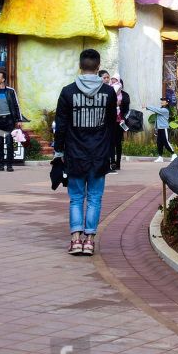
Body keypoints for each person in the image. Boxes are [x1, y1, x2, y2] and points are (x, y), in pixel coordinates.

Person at [54, 49, 118, 256]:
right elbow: (111, 125)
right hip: (99, 153)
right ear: (98, 67)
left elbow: (61, 125)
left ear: (80, 66)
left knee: (76, 197)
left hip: (74, 153)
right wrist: (110, 152)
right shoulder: (108, 93)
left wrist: (58, 151)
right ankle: (89, 240)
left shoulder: (67, 91)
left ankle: (75, 240)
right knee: (95, 198)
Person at [0, 69, 24, 172]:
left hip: (9, 120)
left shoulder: (10, 91)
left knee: (9, 143)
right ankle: (1, 165)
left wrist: (19, 119)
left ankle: (10, 165)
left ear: (3, 79)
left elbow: (16, 105)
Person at [105, 74, 130, 173]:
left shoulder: (125, 95)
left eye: (116, 81)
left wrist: (124, 118)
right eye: (113, 80)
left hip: (120, 122)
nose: (114, 82)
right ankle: (112, 162)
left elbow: (127, 110)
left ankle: (118, 162)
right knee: (110, 142)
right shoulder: (110, 92)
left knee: (118, 143)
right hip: (110, 121)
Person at [146, 96, 173, 161]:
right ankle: (160, 157)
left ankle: (174, 154)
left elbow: (157, 110)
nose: (162, 101)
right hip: (160, 129)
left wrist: (147, 106)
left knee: (166, 142)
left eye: (164, 100)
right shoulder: (162, 109)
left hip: (164, 128)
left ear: (167, 103)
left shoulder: (165, 110)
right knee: (159, 143)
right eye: (162, 100)